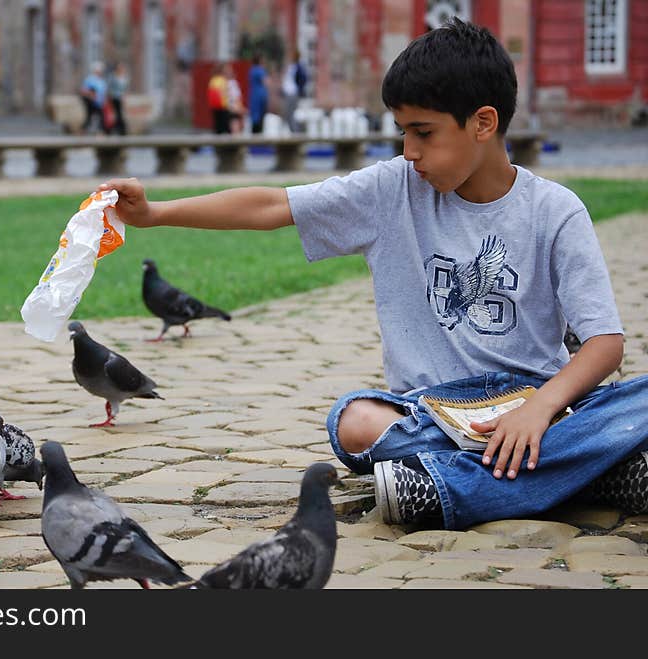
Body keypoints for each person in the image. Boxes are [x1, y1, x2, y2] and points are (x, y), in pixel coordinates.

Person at [96, 19, 648, 530]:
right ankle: (592, 471)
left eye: (423, 133)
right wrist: (156, 213)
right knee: (354, 422)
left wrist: (541, 408)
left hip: (541, 405)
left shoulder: (556, 211)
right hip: (431, 410)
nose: (408, 151)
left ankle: (450, 486)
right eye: (401, 133)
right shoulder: (390, 192)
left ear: (484, 123)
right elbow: (271, 205)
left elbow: (603, 343)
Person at [281, 50, 307, 132]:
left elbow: (303, 78)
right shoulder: (293, 66)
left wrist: (299, 89)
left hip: (292, 93)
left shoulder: (298, 66)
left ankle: (296, 132)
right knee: (288, 114)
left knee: (290, 114)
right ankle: (293, 131)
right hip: (288, 93)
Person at [79, 61, 108, 135]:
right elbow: (83, 90)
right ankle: (83, 132)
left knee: (100, 117)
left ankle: (99, 132)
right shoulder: (90, 79)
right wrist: (91, 95)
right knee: (91, 117)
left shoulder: (102, 81)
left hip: (99, 103)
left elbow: (103, 93)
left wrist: (104, 100)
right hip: (91, 102)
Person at [207, 64, 230, 134]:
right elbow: (225, 94)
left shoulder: (212, 80)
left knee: (217, 126)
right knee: (225, 127)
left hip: (214, 107)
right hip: (223, 106)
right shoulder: (223, 80)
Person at [248, 55, 268, 134]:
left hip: (253, 95)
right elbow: (265, 82)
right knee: (260, 118)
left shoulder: (251, 70)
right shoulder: (260, 70)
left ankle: (254, 136)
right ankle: (259, 137)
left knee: (254, 117)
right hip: (260, 96)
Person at [108, 62, 129, 135]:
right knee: (117, 114)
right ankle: (120, 130)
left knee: (119, 115)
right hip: (115, 97)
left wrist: (125, 98)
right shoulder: (113, 77)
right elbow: (110, 88)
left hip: (121, 98)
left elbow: (125, 90)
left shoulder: (124, 78)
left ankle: (119, 130)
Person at [225, 63, 245, 134]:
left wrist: (240, 109)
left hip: (233, 110)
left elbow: (237, 98)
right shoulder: (226, 83)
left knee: (234, 130)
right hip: (230, 109)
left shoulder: (232, 83)